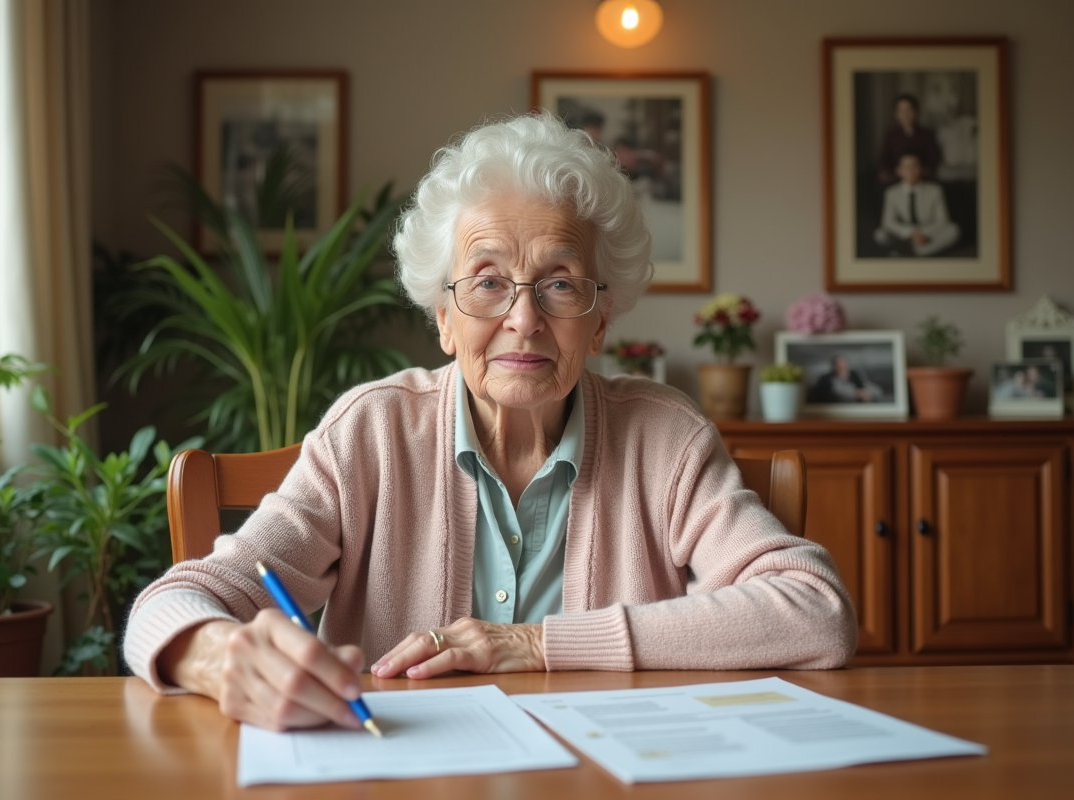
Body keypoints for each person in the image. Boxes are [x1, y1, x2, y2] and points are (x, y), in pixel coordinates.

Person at [123, 112, 857, 732]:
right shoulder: (370, 434)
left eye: (560, 284)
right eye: (488, 283)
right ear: (443, 318)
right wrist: (220, 657)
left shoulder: (663, 437)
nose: (524, 319)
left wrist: (536, 644)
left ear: (599, 320)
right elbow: (176, 601)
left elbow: (815, 611)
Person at [873, 151, 961, 257]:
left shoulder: (935, 190)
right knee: (880, 234)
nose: (911, 171)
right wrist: (910, 233)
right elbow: (888, 221)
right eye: (906, 167)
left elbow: (942, 219)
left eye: (915, 166)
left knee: (953, 230)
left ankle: (916, 252)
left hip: (928, 233)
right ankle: (916, 250)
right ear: (899, 171)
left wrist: (923, 233)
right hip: (903, 234)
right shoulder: (892, 192)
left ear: (921, 169)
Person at [876, 93, 942, 185]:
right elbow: (884, 159)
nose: (905, 114)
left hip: (923, 180)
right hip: (897, 180)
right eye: (901, 111)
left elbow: (934, 158)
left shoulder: (927, 134)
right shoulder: (891, 135)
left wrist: (918, 172)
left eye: (908, 109)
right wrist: (898, 173)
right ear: (896, 114)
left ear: (915, 111)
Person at [809, 355, 884, 403]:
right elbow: (835, 393)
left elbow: (876, 390)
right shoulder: (826, 380)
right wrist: (855, 393)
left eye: (845, 366)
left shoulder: (855, 375)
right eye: (840, 367)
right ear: (834, 367)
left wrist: (867, 393)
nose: (843, 369)